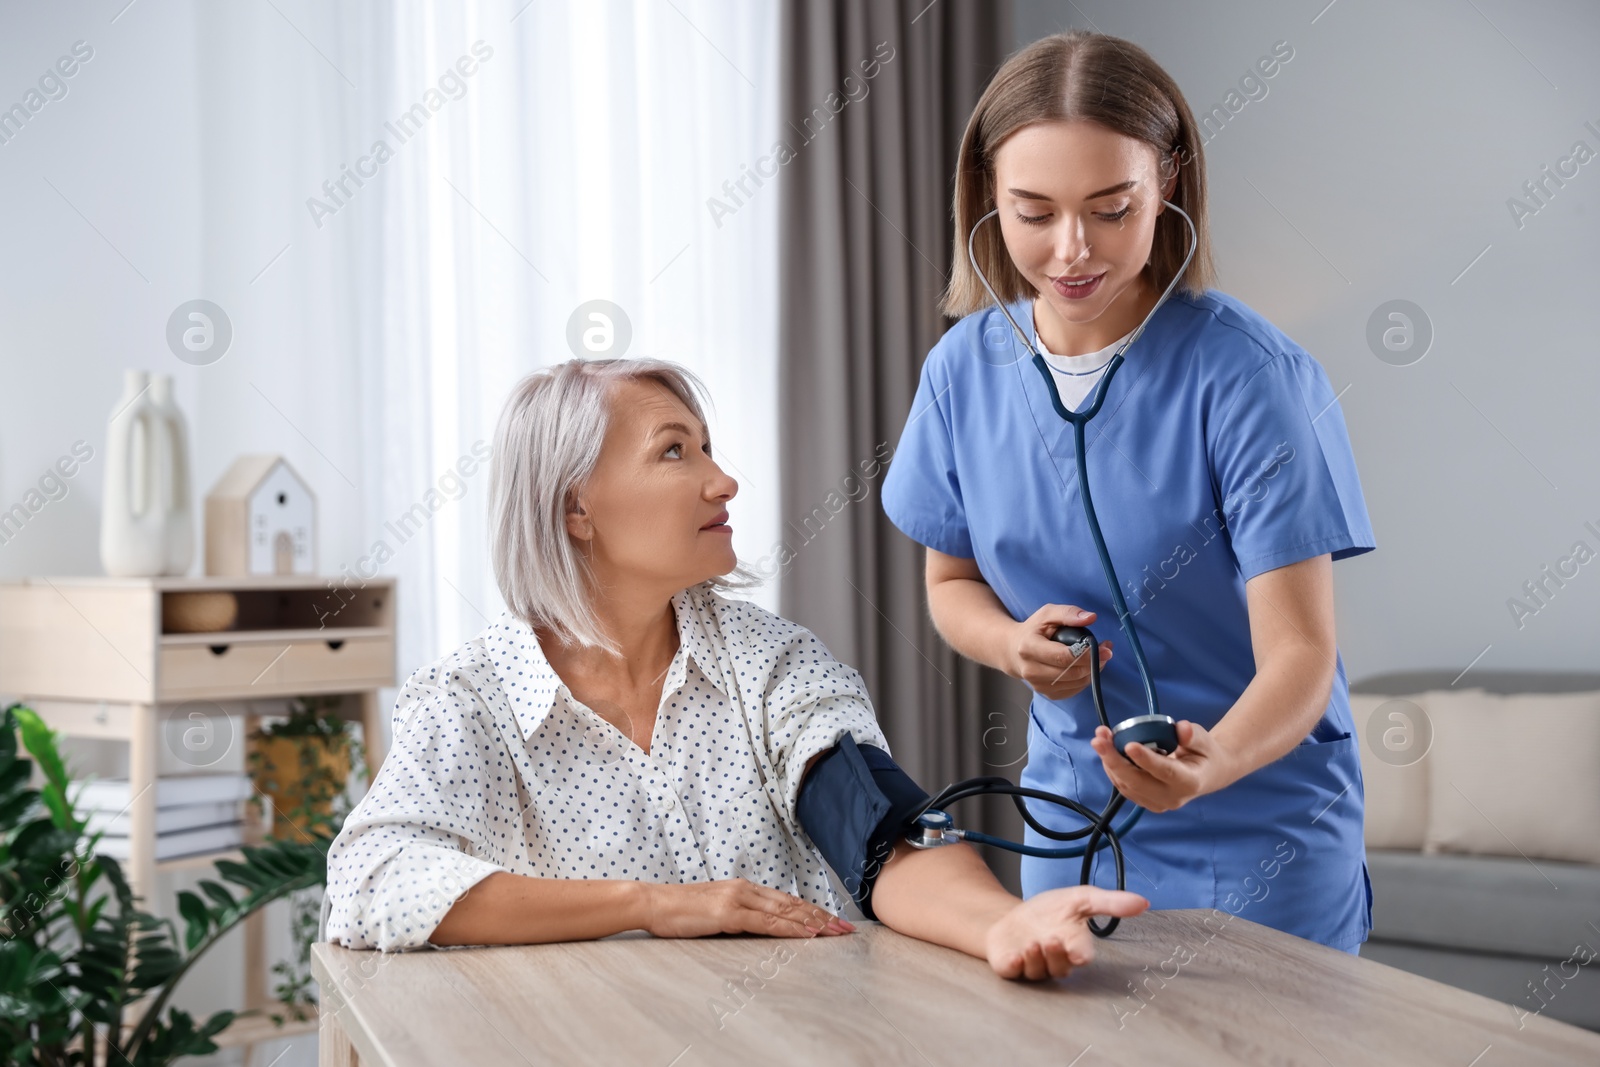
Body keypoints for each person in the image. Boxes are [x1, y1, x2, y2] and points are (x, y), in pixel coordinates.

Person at [322, 357, 1146, 981]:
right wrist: (651, 905)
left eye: (708, 447)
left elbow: (879, 832)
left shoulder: (774, 664)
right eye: (675, 452)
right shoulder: (471, 700)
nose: (724, 480)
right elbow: (369, 883)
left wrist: (1000, 924)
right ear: (576, 506)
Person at [880, 30, 1375, 953]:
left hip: (1258, 820)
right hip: (1073, 816)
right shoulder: (962, 373)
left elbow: (1302, 654)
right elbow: (949, 586)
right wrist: (1012, 644)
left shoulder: (1251, 379)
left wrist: (1209, 762)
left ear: (1170, 183)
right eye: (1033, 212)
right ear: (989, 194)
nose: (1072, 250)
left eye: (1112, 209)